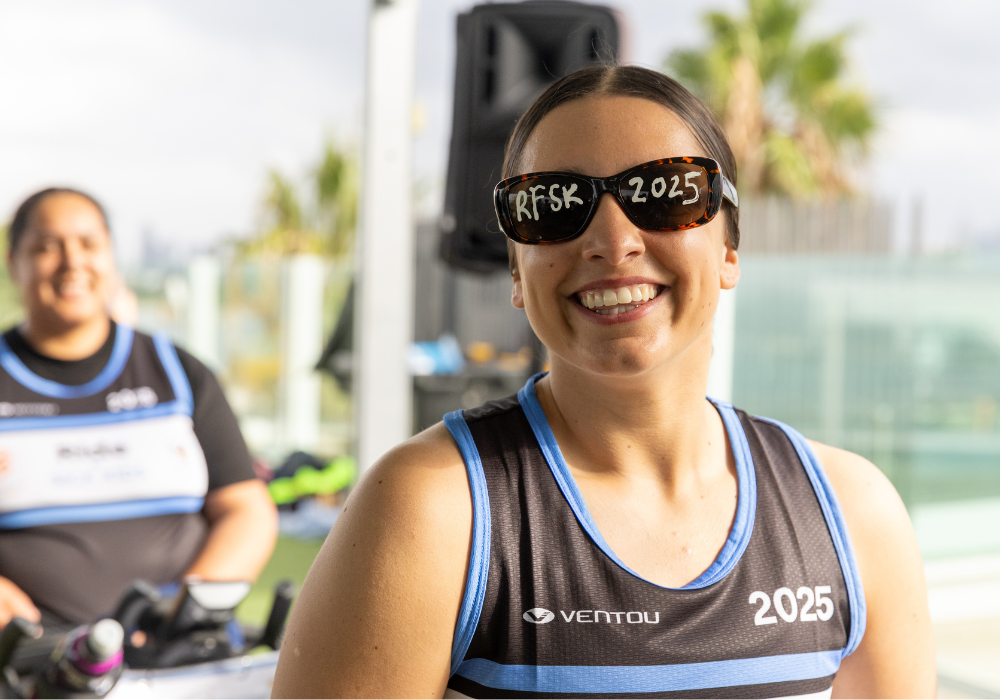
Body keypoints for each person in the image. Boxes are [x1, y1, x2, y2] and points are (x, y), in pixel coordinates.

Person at [272, 66, 934, 698]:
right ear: (515, 270)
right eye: (554, 204)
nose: (613, 241)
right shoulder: (435, 510)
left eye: (663, 193)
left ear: (729, 249)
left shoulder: (851, 515)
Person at [0, 188, 278, 628]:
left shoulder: (177, 372)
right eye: (48, 247)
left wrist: (187, 611)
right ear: (14, 262)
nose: (73, 262)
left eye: (89, 244)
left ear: (111, 257)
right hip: (30, 660)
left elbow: (246, 509)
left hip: (180, 653)